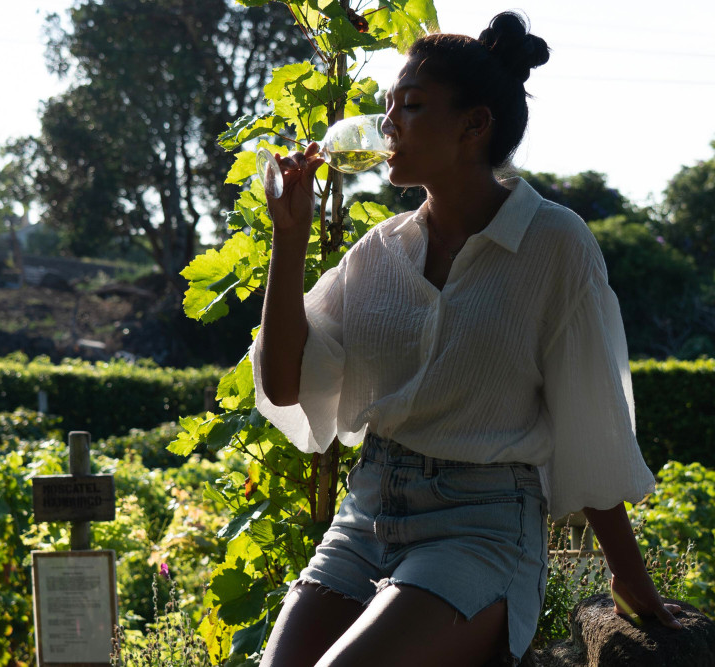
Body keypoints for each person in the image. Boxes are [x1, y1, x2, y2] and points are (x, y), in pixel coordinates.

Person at [251, 11, 681, 667]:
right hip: (367, 513)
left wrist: (628, 572)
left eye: (413, 106)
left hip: (479, 528)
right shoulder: (378, 254)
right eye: (386, 106)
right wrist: (290, 236)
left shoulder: (554, 245)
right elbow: (284, 383)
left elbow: (591, 421)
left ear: (474, 125)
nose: (388, 123)